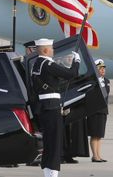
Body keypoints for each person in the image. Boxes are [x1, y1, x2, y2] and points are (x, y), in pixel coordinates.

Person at [31, 38, 80, 177]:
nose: (53, 50)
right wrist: (77, 61)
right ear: (46, 50)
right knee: (55, 141)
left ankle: (48, 171)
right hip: (51, 107)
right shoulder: (47, 64)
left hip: (45, 106)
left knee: (49, 140)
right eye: (51, 48)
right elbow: (71, 74)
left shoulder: (37, 64)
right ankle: (52, 173)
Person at [88, 59, 111, 162]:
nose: (102, 70)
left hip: (103, 110)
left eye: (103, 69)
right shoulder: (92, 81)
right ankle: (95, 156)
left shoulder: (106, 81)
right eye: (100, 69)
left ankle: (98, 155)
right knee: (94, 134)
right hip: (94, 111)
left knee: (99, 135)